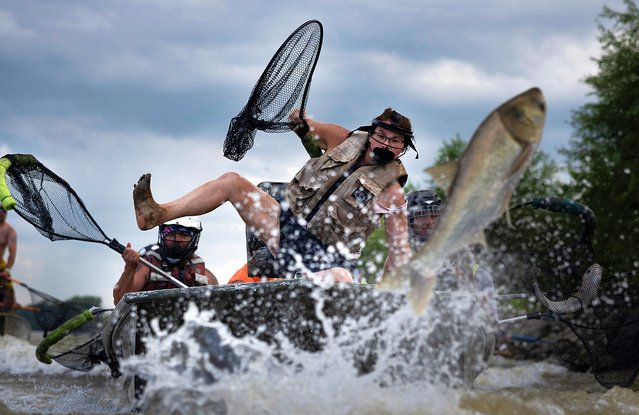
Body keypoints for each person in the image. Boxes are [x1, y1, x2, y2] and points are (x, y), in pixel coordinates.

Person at [132, 108, 418, 281]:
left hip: (330, 259)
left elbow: (398, 251)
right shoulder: (342, 138)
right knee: (232, 182)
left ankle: (301, 282)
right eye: (381, 136)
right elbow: (308, 127)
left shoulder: (391, 193)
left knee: (341, 277)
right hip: (288, 231)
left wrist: (384, 294)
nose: (385, 144)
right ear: (371, 133)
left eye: (395, 142)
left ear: (402, 149)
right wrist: (299, 122)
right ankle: (157, 213)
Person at [407, 189, 497, 318]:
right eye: (422, 216)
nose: (429, 222)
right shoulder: (400, 261)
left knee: (482, 276)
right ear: (410, 221)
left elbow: (491, 319)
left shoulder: (471, 268)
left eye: (434, 216)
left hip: (463, 328)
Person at [113, 217, 218, 304]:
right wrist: (129, 267)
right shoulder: (146, 265)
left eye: (184, 235)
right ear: (162, 235)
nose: (177, 240)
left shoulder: (204, 273)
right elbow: (118, 301)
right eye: (171, 233)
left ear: (194, 239)